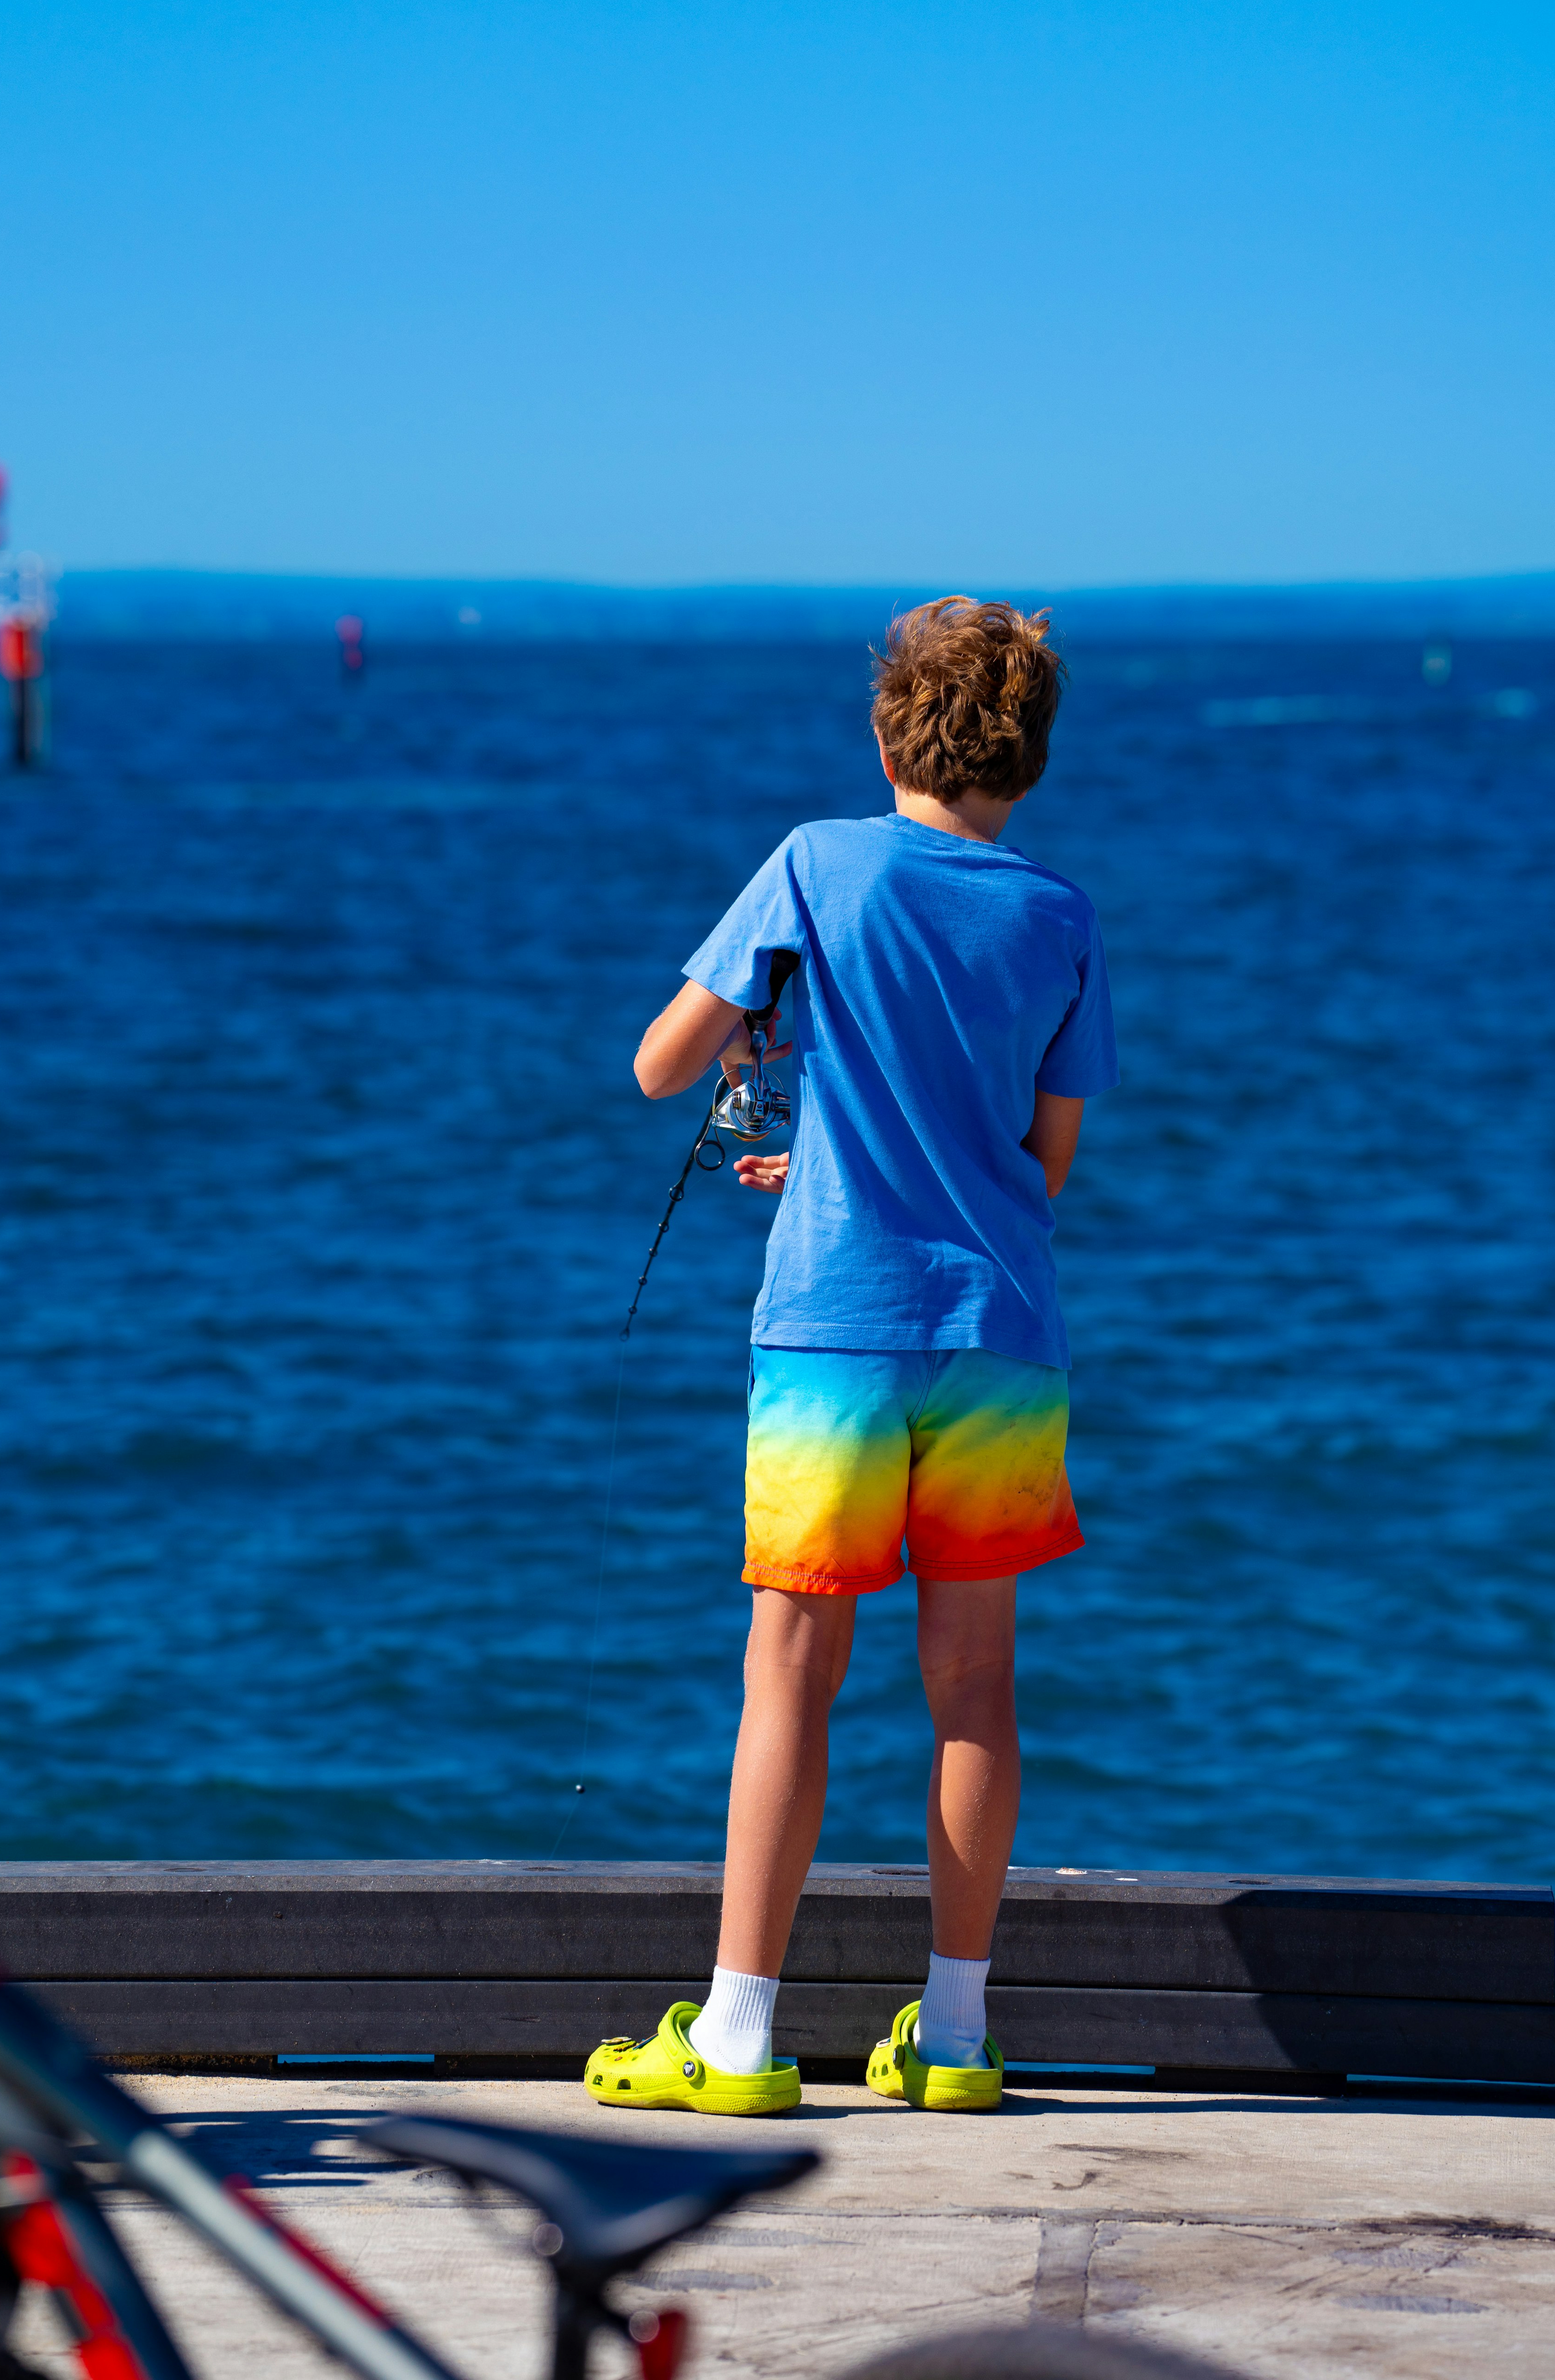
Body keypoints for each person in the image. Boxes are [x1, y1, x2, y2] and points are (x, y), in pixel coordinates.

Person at [582, 598, 1118, 2116]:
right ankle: (955, 2037)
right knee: (976, 1692)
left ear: (889, 731)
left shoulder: (816, 862)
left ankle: (741, 2036)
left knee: (792, 1678)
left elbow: (657, 1065)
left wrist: (775, 1054)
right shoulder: (1060, 915)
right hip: (1002, 1337)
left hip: (837, 1326)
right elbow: (1039, 1160)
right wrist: (842, 1132)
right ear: (1031, 757)